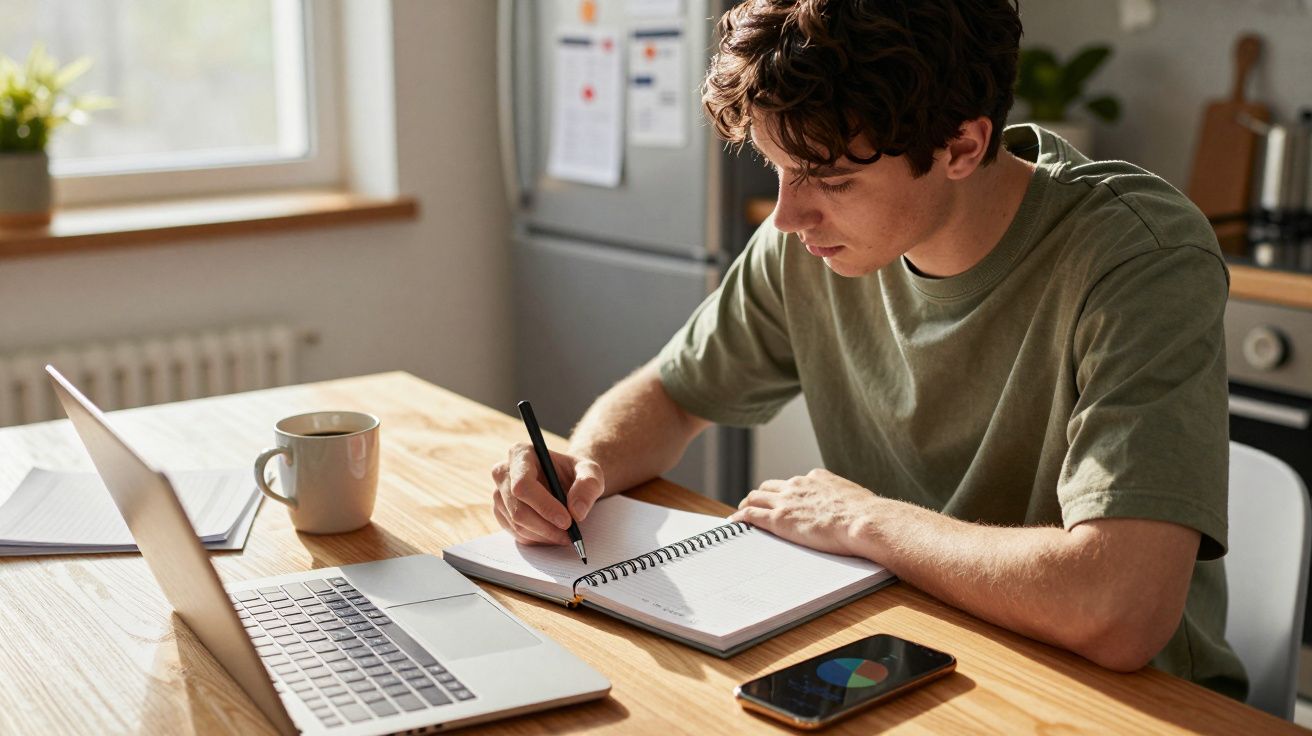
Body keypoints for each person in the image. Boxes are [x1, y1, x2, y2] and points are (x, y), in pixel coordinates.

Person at [490, 0, 1245, 699]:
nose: (787, 215)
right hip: (906, 653)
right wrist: (579, 469)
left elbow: (1118, 608)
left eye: (830, 179)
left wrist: (868, 522)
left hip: (1119, 700)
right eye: (777, 169)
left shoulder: (1138, 257)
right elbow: (672, 393)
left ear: (961, 145)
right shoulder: (806, 245)